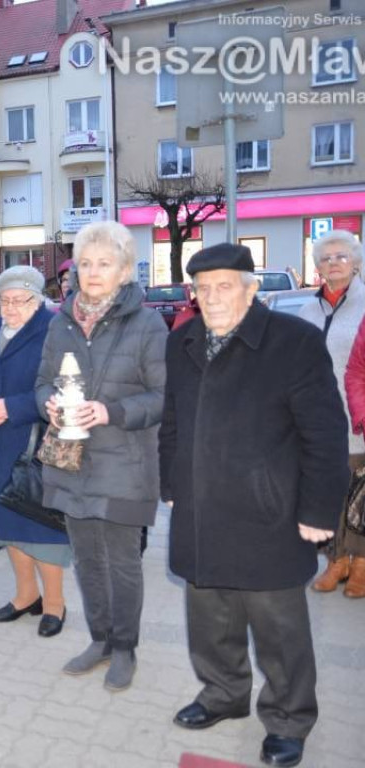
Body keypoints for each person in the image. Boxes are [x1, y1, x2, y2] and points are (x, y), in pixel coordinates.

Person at [160, 243, 348, 768]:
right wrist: (169, 480)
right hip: (200, 507)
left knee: (278, 630)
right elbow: (170, 419)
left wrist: (318, 510)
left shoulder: (294, 341)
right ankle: (223, 694)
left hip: (270, 511)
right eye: (203, 288)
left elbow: (325, 433)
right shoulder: (184, 342)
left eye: (225, 286)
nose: (213, 297)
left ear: (250, 287)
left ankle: (289, 719)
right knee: (209, 616)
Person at [35, 221, 167, 692]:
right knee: (87, 560)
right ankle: (100, 639)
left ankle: (126, 647)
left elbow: (162, 397)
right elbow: (42, 382)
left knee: (122, 561)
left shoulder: (148, 324)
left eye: (104, 264)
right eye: (86, 263)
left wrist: (110, 411)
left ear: (125, 271)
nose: (92, 272)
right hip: (70, 463)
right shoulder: (60, 321)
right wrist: (48, 403)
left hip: (125, 464)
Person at [0, 267, 69, 635]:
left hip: (35, 444)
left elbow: (62, 386)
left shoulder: (54, 330)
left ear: (36, 301)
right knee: (7, 524)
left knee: (41, 529)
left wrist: (11, 406)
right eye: (3, 301)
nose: (8, 308)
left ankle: (55, 604)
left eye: (17, 301)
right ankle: (26, 596)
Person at [300, 230, 365, 597]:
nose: (333, 264)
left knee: (361, 492)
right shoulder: (310, 308)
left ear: (356, 262)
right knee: (332, 491)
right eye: (325, 259)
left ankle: (361, 564)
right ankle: (336, 560)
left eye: (341, 256)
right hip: (320, 419)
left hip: (358, 415)